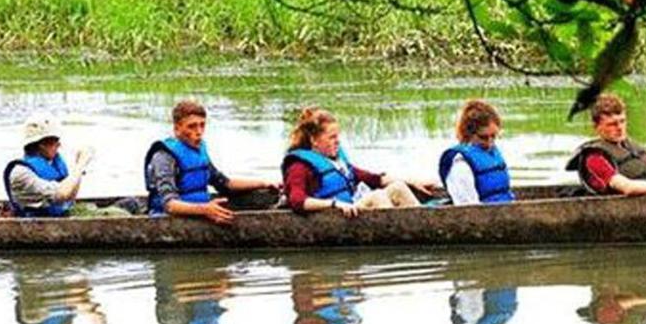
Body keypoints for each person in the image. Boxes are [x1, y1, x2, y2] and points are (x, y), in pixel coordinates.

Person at [144, 99, 280, 225]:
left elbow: (225, 184)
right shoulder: (164, 156)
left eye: (202, 125)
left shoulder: (199, 151)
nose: (199, 132)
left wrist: (263, 183)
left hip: (201, 214)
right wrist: (205, 210)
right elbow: (170, 205)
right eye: (191, 126)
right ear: (177, 128)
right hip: (167, 219)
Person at [282, 106, 437, 217]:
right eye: (332, 137)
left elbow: (373, 178)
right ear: (314, 140)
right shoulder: (299, 166)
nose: (337, 142)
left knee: (397, 187)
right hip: (334, 213)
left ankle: (427, 224)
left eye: (338, 136)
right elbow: (297, 201)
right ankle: (396, 233)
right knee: (376, 197)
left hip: (350, 209)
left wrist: (412, 182)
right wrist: (335, 204)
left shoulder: (336, 162)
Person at [438, 99, 515, 205]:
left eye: (493, 136)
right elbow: (468, 208)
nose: (490, 143)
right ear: (468, 134)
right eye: (483, 137)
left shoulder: (492, 153)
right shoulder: (460, 164)